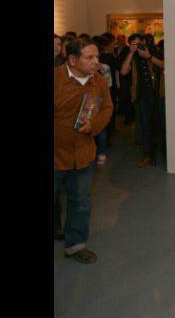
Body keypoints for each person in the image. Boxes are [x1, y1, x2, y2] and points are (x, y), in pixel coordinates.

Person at [54, 38, 113, 264]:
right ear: (72, 59)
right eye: (90, 57)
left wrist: (93, 126)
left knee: (80, 201)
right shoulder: (56, 79)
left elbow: (107, 108)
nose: (96, 61)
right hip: (56, 154)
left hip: (83, 154)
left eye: (97, 56)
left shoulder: (99, 81)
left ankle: (75, 245)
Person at [120, 33, 164, 167]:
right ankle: (147, 154)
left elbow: (164, 65)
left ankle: (163, 151)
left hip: (159, 95)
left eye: (139, 43)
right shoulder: (132, 57)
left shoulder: (155, 51)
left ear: (144, 42)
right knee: (146, 126)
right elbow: (123, 71)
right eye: (134, 44)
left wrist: (148, 56)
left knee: (162, 125)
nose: (138, 46)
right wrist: (131, 53)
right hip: (142, 96)